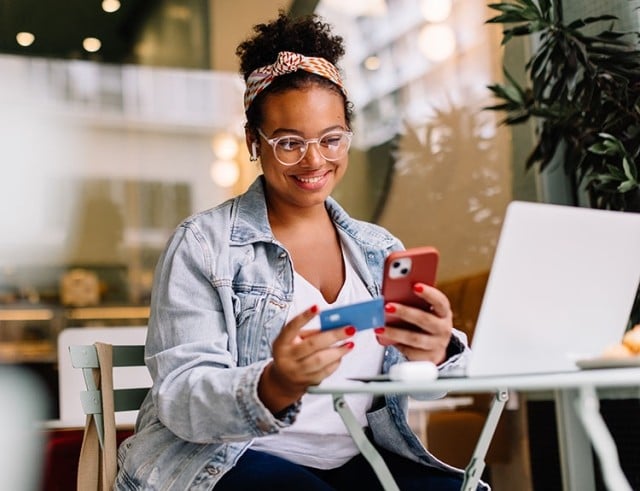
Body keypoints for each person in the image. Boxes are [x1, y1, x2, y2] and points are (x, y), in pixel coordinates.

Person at [116, 11, 485, 491]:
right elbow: (182, 396)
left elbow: (423, 385)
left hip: (356, 457)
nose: (315, 160)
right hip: (225, 460)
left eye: (332, 139)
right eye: (289, 142)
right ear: (254, 141)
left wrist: (436, 354)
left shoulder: (378, 251)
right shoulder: (204, 245)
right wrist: (275, 384)